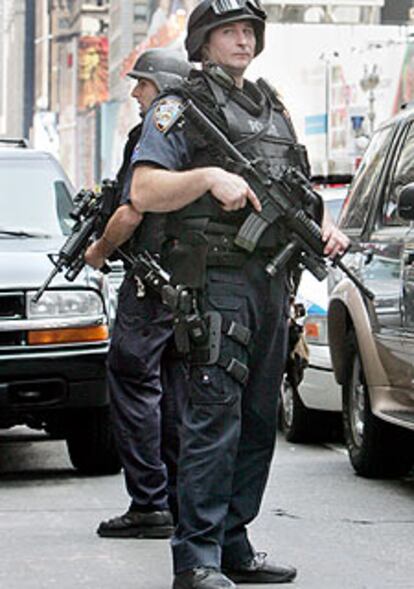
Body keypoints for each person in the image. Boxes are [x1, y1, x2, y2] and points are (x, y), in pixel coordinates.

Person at [130, 1, 349, 587]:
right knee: (214, 416)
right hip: (218, 280)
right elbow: (144, 188)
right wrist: (206, 178)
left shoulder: (271, 107)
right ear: (203, 41)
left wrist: (322, 226)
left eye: (250, 30)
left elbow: (297, 190)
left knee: (257, 420)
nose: (243, 41)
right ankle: (196, 557)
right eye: (230, 30)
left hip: (271, 282)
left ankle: (233, 542)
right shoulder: (180, 107)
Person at [85, 48, 192, 539]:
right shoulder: (200, 131)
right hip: (186, 285)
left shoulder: (158, 129)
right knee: (171, 393)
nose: (135, 93)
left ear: (164, 88)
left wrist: (99, 250)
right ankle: (171, 499)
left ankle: (149, 502)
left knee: (131, 380)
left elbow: (131, 211)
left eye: (142, 85)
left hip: (151, 284)